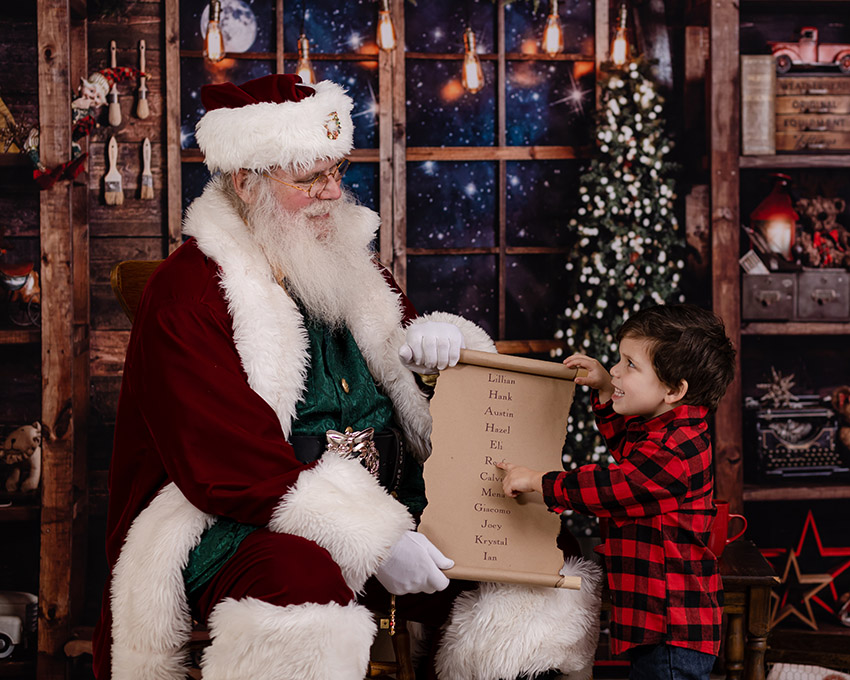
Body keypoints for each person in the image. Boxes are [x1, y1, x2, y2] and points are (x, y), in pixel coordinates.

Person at [92, 74, 601, 680]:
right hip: (243, 519)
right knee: (299, 582)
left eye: (336, 172)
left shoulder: (350, 264)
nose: (333, 193)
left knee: (533, 570)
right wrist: (377, 539)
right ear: (247, 184)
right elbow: (227, 464)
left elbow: (421, 383)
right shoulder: (189, 292)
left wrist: (445, 352)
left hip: (399, 497)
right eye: (309, 180)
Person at [498, 304, 737, 680]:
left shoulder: (678, 448)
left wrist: (539, 481)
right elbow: (630, 448)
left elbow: (613, 487)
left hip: (672, 626)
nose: (616, 370)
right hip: (654, 620)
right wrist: (608, 389)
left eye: (630, 365)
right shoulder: (664, 430)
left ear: (674, 389)